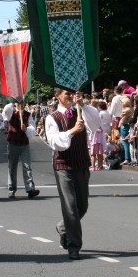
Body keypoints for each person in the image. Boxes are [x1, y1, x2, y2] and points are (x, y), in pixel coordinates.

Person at [46, 89, 100, 260]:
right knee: (70, 207)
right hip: (63, 166)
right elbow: (54, 141)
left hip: (81, 163)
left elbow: (96, 124)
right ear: (58, 96)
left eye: (72, 93)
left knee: (82, 206)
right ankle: (74, 245)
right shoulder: (52, 117)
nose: (70, 96)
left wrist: (83, 104)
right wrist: (71, 131)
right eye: (66, 93)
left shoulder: (81, 112)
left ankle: (63, 228)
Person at [2, 101, 40, 199]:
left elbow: (32, 128)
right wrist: (13, 102)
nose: (20, 104)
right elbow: (5, 111)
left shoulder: (28, 115)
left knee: (27, 166)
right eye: (18, 103)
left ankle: (30, 189)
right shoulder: (11, 113)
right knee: (12, 167)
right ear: (15, 104)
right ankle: (11, 189)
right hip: (13, 143)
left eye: (22, 102)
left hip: (24, 144)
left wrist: (26, 129)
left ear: (24, 104)